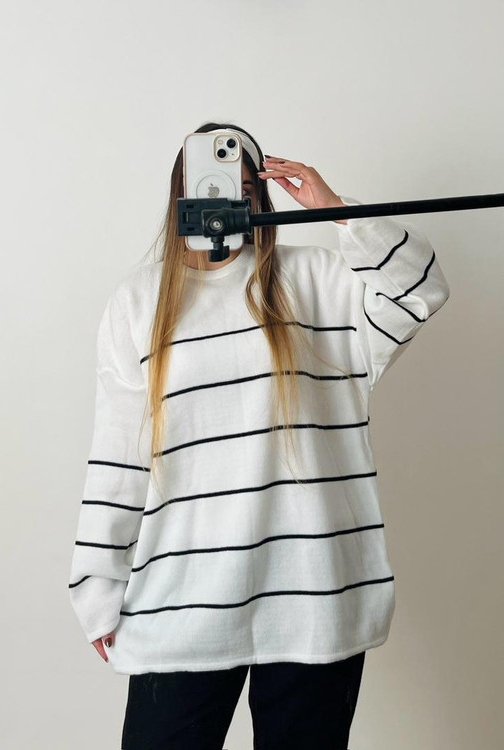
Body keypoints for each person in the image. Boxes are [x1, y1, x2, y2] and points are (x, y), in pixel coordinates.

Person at [68, 121, 451, 749]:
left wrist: (336, 210)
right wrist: (97, 585)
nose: (225, 199)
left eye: (243, 186)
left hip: (314, 598)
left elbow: (421, 288)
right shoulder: (139, 304)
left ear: (261, 196)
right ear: (180, 193)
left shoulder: (318, 281)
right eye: (209, 182)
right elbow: (118, 456)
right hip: (182, 603)